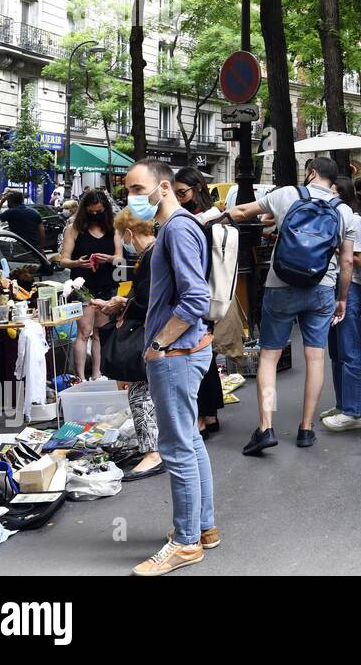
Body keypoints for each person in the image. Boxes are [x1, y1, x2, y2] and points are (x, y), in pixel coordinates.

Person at [227, 156, 357, 454]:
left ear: (311, 173)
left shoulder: (288, 194)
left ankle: (266, 427)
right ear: (332, 180)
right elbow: (348, 261)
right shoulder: (345, 211)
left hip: (281, 285)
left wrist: (215, 218)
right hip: (321, 289)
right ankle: (307, 429)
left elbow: (244, 211)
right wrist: (342, 298)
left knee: (270, 358)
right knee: (315, 359)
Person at [125, 158, 216, 576]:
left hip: (175, 354)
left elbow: (195, 298)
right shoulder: (174, 228)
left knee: (177, 449)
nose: (132, 197)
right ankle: (203, 529)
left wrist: (159, 343)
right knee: (190, 442)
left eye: (139, 189)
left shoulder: (177, 228)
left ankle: (184, 544)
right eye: (128, 189)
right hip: (182, 351)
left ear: (164, 187)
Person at [94, 208, 164, 481]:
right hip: (155, 333)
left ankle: (153, 453)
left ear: (129, 233)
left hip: (150, 335)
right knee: (145, 393)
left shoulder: (150, 256)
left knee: (141, 394)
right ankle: (152, 448)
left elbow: (147, 299)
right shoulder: (153, 253)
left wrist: (123, 305)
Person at [174, 167, 226, 437]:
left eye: (183, 192)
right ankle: (210, 413)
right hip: (209, 292)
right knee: (204, 352)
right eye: (176, 193)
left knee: (197, 353)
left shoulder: (200, 220)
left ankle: (203, 417)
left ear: (198, 188)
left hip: (197, 294)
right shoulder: (213, 216)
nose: (179, 197)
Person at [321, 177, 361, 432]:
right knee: (337, 351)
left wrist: (338, 248)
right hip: (333, 288)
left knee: (349, 350)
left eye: (331, 191)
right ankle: (343, 404)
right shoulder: (334, 218)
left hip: (350, 290)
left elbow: (360, 260)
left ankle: (354, 411)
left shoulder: (354, 219)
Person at [59, 188, 123, 380]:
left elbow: (119, 258)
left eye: (99, 211)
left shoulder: (113, 229)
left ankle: (98, 374)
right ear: (84, 210)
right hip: (82, 286)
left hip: (106, 284)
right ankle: (80, 377)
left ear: (105, 209)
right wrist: (77, 263)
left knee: (100, 333)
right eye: (91, 211)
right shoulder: (74, 229)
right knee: (84, 332)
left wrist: (109, 259)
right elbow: (63, 260)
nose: (95, 215)